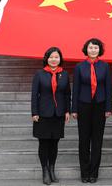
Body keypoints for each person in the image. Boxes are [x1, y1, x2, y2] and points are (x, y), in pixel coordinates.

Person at [71, 38, 112, 183]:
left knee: (97, 140)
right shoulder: (79, 67)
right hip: (83, 105)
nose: (93, 50)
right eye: (90, 47)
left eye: (96, 48)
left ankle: (94, 173)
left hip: (100, 105)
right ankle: (84, 173)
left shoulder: (105, 66)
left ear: (99, 50)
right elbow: (75, 89)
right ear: (86, 49)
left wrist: (108, 108)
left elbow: (108, 88)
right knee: (83, 140)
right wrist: (74, 109)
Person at [31, 47, 71, 185]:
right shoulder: (40, 74)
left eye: (56, 57)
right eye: (51, 57)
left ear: (60, 59)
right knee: (44, 143)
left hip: (58, 114)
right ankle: (45, 171)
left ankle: (52, 169)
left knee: (54, 143)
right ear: (47, 59)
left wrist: (67, 111)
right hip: (43, 114)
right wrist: (34, 112)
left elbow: (67, 94)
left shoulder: (64, 74)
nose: (54, 60)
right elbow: (34, 95)